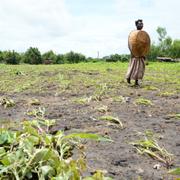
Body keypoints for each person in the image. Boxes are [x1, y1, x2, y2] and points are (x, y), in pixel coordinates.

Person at [126, 19, 146, 86]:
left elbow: (144, 44)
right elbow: (131, 44)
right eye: (139, 24)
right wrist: (133, 53)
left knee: (139, 68)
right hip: (135, 54)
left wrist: (144, 53)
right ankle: (128, 77)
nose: (141, 25)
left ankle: (136, 81)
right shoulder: (133, 34)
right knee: (133, 67)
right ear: (136, 25)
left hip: (141, 54)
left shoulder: (143, 34)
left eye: (142, 24)